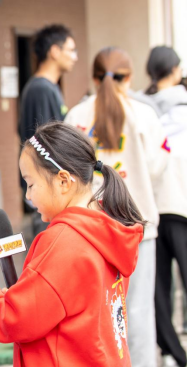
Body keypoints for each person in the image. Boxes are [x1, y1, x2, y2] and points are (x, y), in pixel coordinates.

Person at [0, 122, 145, 367]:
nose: (27, 196)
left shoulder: (64, 242)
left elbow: (17, 320)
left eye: (30, 184)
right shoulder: (106, 232)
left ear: (63, 181)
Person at [65, 47, 170, 367]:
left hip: (90, 229)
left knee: (94, 311)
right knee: (137, 311)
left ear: (94, 78)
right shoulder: (145, 115)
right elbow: (157, 167)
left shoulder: (76, 117)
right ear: (130, 78)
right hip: (136, 229)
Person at [145, 46, 187, 368]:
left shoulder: (142, 109)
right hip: (182, 206)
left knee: (158, 290)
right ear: (175, 70)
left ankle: (173, 354)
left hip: (153, 209)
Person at [19, 24, 78, 236]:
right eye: (71, 50)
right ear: (54, 51)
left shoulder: (47, 88)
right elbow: (45, 144)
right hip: (48, 194)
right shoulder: (41, 89)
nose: (75, 57)